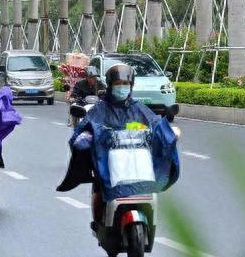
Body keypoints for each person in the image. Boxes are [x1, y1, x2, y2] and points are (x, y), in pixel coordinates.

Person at [57, 63, 179, 232]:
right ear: (110, 85)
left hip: (136, 160)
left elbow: (155, 124)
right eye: (118, 84)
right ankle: (99, 220)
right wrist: (85, 136)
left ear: (131, 86)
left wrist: (168, 132)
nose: (122, 88)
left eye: (125, 84)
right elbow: (86, 126)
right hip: (108, 159)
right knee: (100, 180)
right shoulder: (100, 109)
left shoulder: (139, 109)